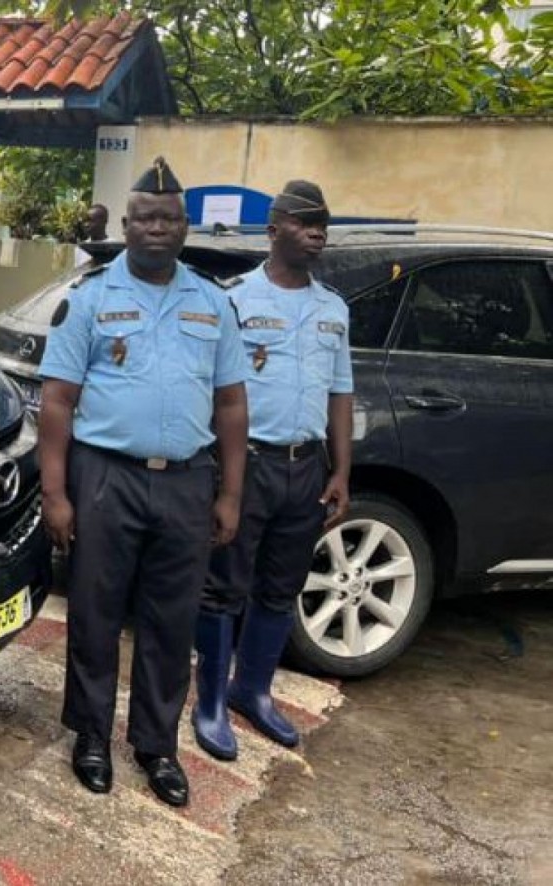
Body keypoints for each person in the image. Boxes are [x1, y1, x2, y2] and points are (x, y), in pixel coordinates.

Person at [36, 157, 249, 808]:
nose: (157, 227)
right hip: (106, 478)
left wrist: (231, 493)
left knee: (171, 621)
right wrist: (56, 492)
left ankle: (156, 746)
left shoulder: (213, 304)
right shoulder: (91, 300)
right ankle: (92, 736)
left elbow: (233, 405)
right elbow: (57, 402)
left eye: (170, 217)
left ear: (186, 227)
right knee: (96, 615)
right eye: (145, 217)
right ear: (125, 226)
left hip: (186, 483)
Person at [191, 180, 353, 761]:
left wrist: (341, 472)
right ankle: (208, 701)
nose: (317, 234)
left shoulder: (333, 308)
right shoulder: (235, 302)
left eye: (323, 225)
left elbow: (340, 394)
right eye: (305, 222)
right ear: (274, 229)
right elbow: (213, 392)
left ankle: (251, 691)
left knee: (282, 588)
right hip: (247, 465)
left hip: (306, 468)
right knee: (223, 588)